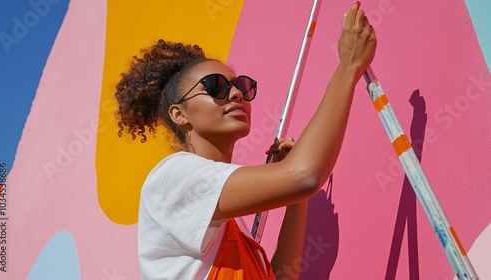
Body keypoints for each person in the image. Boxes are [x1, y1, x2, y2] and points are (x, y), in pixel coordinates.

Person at [115, 2, 376, 279]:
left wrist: (298, 199)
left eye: (241, 85)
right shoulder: (173, 177)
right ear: (179, 114)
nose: (237, 94)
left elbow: (282, 276)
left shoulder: (225, 226)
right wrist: (348, 67)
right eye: (216, 87)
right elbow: (305, 175)